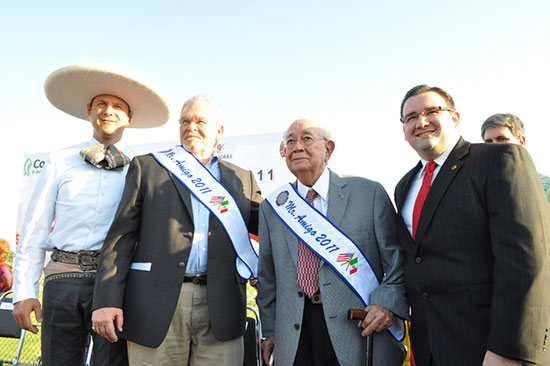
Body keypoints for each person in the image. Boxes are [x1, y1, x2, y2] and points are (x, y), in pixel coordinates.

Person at [12, 64, 170, 366]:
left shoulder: (142, 168)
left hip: (115, 284)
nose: (109, 111)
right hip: (62, 281)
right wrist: (23, 291)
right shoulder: (60, 161)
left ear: (129, 117)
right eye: (102, 104)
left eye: (118, 106)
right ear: (89, 110)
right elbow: (34, 229)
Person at [91, 95, 262, 366]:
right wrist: (106, 300)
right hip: (155, 305)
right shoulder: (148, 167)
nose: (191, 127)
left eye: (200, 121)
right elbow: (120, 238)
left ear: (219, 131)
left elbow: (270, 230)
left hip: (222, 305)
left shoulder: (242, 179)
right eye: (185, 121)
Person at [395, 84, 550, 365]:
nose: (421, 122)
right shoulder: (404, 186)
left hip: (490, 346)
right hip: (429, 346)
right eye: (411, 117)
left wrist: (509, 349)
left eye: (432, 111)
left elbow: (526, 260)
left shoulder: (499, 160)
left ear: (454, 118)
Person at [257, 118, 408, 366]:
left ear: (328, 149)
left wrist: (386, 304)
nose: (297, 147)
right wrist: (270, 331)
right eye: (290, 142)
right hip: (295, 336)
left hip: (358, 329)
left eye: (306, 138)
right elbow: (267, 278)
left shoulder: (368, 194)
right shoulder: (273, 208)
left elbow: (396, 263)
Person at [481, 113, 550, 203]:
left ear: (521, 142)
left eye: (502, 139)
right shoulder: (481, 188)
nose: (494, 146)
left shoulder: (546, 187)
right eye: (489, 142)